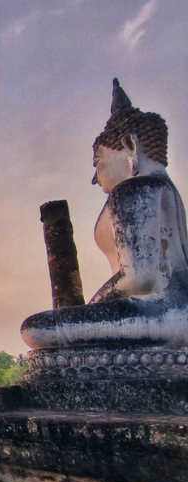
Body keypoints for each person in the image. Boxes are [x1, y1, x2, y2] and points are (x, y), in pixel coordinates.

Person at [21, 79, 188, 349]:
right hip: (174, 307)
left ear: (130, 147)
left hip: (159, 311)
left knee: (34, 329)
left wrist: (93, 306)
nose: (96, 178)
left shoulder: (133, 190)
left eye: (98, 163)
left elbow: (139, 277)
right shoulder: (167, 190)